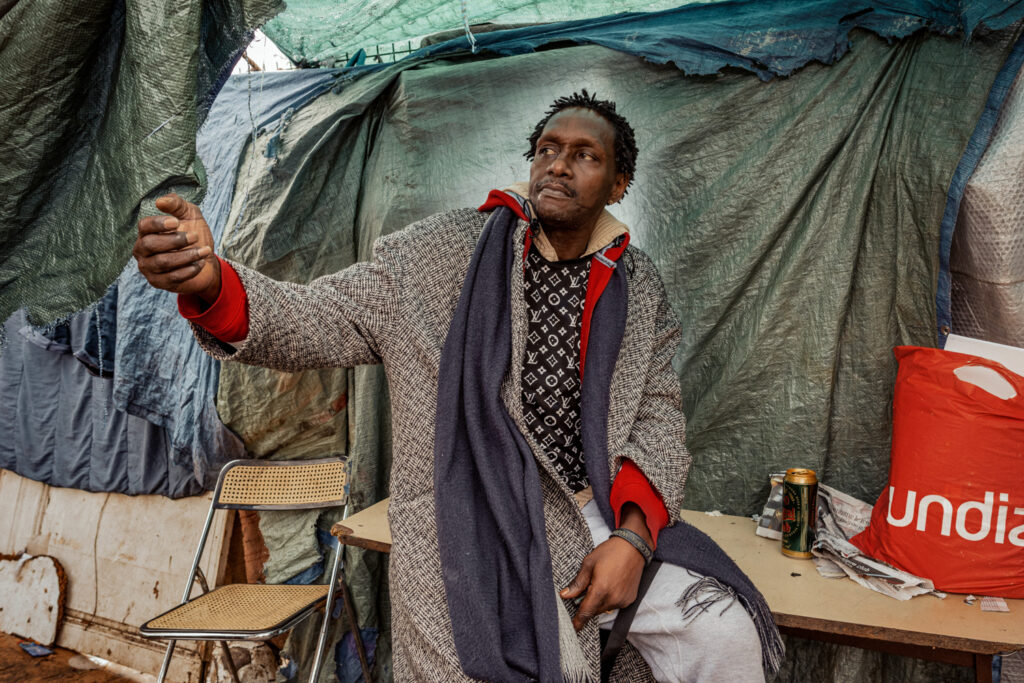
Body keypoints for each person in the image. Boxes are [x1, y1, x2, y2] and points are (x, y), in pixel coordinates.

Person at [134, 90, 781, 682]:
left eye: (585, 155)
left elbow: (658, 417)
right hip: (472, 517)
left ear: (619, 182)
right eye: (548, 149)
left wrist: (633, 541)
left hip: (600, 514)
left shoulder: (637, 287)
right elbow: (318, 318)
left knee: (724, 636)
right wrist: (211, 284)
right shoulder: (439, 257)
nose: (558, 165)